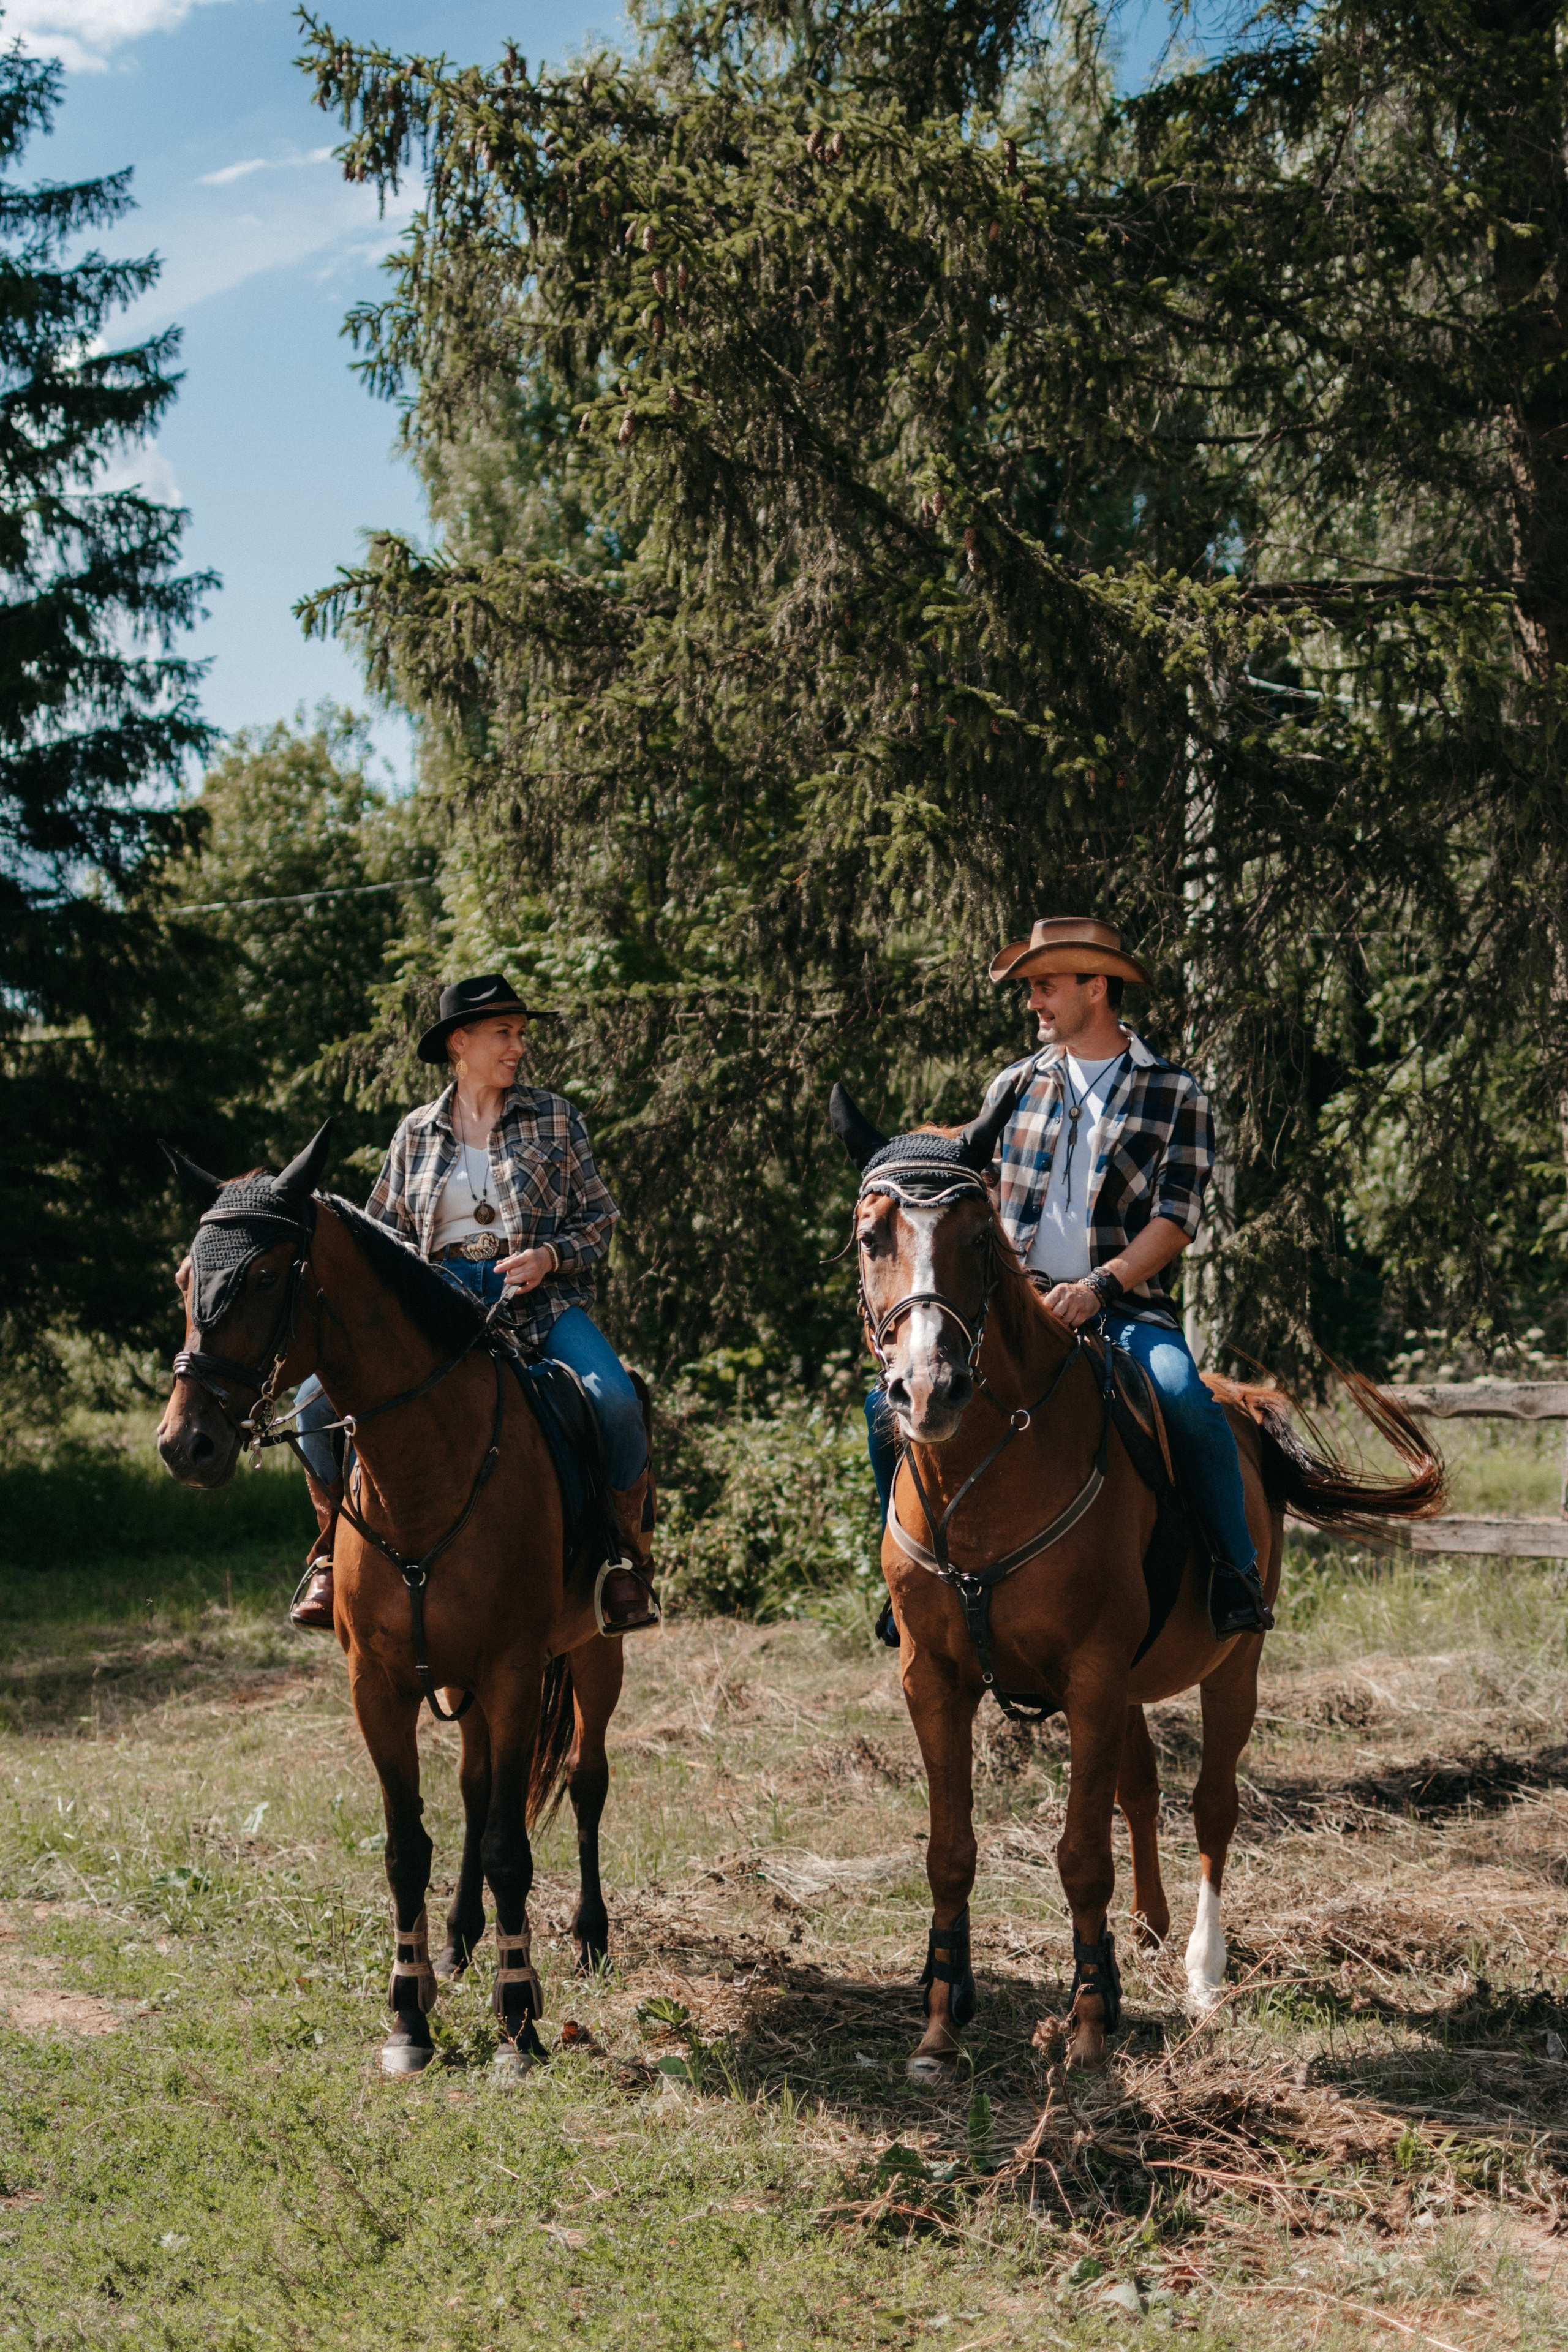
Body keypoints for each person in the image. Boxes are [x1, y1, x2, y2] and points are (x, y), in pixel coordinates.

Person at [864, 915, 1272, 1640]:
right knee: (882, 1411)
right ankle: (909, 1582)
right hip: (1014, 1312)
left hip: (1123, 1306)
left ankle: (1234, 1576)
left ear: (1097, 986)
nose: (1033, 1003)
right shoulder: (1013, 1084)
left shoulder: (1175, 1093)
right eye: (1030, 989)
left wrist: (1101, 1286)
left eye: (1046, 987)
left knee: (1187, 1402)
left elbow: (1175, 1220)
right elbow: (956, 1184)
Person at [288, 974, 658, 1638]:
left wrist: (549, 1258)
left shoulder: (555, 1116)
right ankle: (327, 1554)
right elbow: (379, 1234)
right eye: (503, 1034)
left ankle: (622, 1559)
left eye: (520, 1034)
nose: (518, 1047)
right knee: (313, 1403)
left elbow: (599, 1221)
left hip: (539, 1303)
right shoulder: (413, 1134)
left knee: (617, 1401)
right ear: (460, 1042)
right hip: (436, 1310)